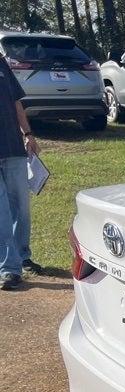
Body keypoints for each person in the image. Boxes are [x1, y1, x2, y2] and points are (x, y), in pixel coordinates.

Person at [0, 54, 41, 291]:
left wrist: (28, 134)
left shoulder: (2, 63)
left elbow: (16, 102)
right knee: (2, 213)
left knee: (21, 208)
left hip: (14, 148)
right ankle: (9, 270)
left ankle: (23, 256)